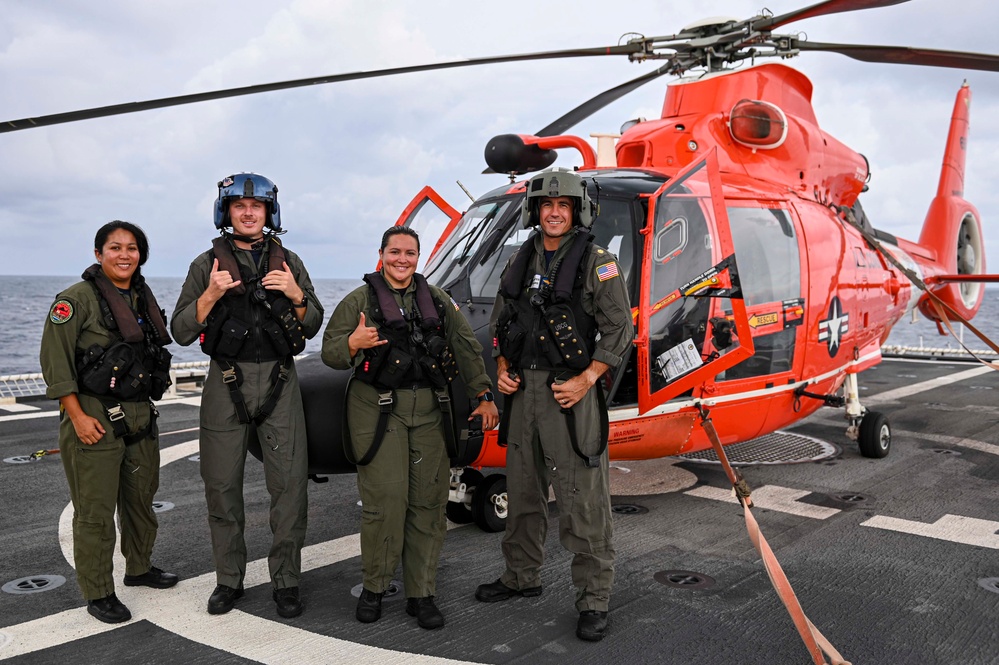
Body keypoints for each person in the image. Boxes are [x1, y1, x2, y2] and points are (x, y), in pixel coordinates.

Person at [476, 169, 634, 642]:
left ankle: (593, 599)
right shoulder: (518, 262)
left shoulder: (597, 262)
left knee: (583, 501)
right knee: (523, 490)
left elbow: (619, 330)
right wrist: (503, 366)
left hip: (571, 395)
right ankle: (520, 576)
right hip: (523, 395)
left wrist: (588, 380)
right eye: (547, 205)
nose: (554, 212)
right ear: (535, 211)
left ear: (577, 210)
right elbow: (503, 323)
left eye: (563, 205)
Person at [322, 226, 499, 630]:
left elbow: (466, 345)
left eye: (411, 253)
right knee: (385, 503)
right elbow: (331, 352)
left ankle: (422, 593)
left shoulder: (436, 300)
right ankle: (374, 587)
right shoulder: (359, 300)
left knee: (429, 505)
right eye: (395, 252)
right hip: (379, 411)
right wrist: (354, 342)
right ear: (381, 253)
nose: (402, 260)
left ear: (419, 257)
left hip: (429, 413)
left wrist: (483, 395)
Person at [171, 173, 323, 619]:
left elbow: (312, 323)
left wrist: (295, 292)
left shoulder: (289, 260)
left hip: (280, 379)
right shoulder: (206, 265)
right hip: (226, 379)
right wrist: (211, 295)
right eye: (239, 206)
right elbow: (181, 330)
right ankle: (228, 580)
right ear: (227, 212)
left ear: (269, 212)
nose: (249, 212)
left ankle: (287, 581)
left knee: (290, 487)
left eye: (256, 207)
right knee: (220, 487)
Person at [40, 220, 179, 624]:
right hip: (93, 414)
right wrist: (77, 416)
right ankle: (99, 591)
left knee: (140, 501)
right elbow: (56, 362)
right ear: (98, 254)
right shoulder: (74, 300)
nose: (124, 255)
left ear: (141, 255)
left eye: (132, 248)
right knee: (95, 511)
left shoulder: (140, 297)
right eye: (114, 247)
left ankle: (139, 568)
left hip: (138, 414)